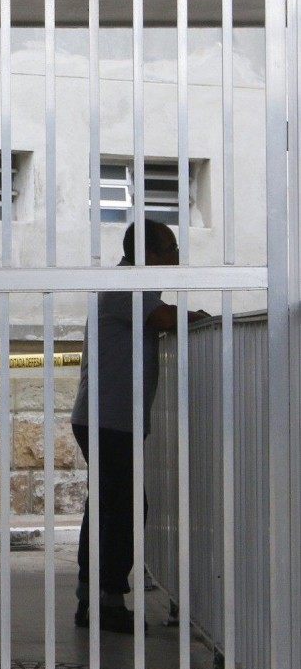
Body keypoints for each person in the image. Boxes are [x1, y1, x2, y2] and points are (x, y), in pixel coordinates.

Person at [70, 218, 208, 634]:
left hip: (108, 418)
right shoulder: (127, 286)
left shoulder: (132, 286)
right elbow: (165, 319)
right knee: (126, 507)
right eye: (170, 248)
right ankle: (107, 601)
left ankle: (92, 599)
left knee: (108, 507)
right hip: (108, 420)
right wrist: (199, 315)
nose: (177, 257)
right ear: (147, 254)